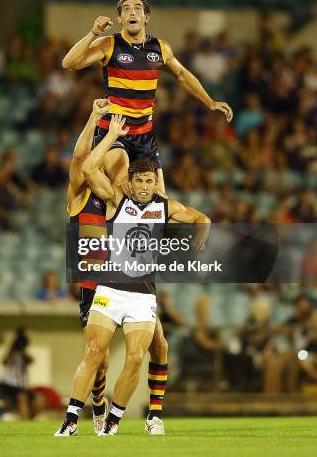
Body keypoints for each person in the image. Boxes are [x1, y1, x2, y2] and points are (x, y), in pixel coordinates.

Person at [54, 115, 210, 437]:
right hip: (105, 285)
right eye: (138, 180)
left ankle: (136, 418)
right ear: (128, 181)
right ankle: (83, 415)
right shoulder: (108, 197)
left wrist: (200, 237)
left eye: (148, 181)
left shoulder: (161, 203)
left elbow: (199, 217)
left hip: (141, 292)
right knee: (97, 356)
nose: (142, 185)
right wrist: (109, 133)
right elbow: (85, 166)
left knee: (148, 352)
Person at [62, 0, 233, 191]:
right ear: (119, 18)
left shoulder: (160, 48)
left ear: (146, 17)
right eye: (126, 10)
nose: (132, 13)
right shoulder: (108, 44)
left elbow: (182, 75)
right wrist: (93, 33)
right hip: (114, 129)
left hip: (144, 133)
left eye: (137, 9)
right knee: (121, 186)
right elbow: (69, 63)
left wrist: (210, 102)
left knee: (159, 199)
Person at [0, 328, 34, 420]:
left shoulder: (24, 353)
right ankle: (24, 419)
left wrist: (22, 350)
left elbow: (31, 360)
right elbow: (4, 362)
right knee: (17, 401)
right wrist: (12, 348)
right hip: (8, 382)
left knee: (22, 400)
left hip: (19, 384)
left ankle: (24, 419)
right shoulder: (12, 352)